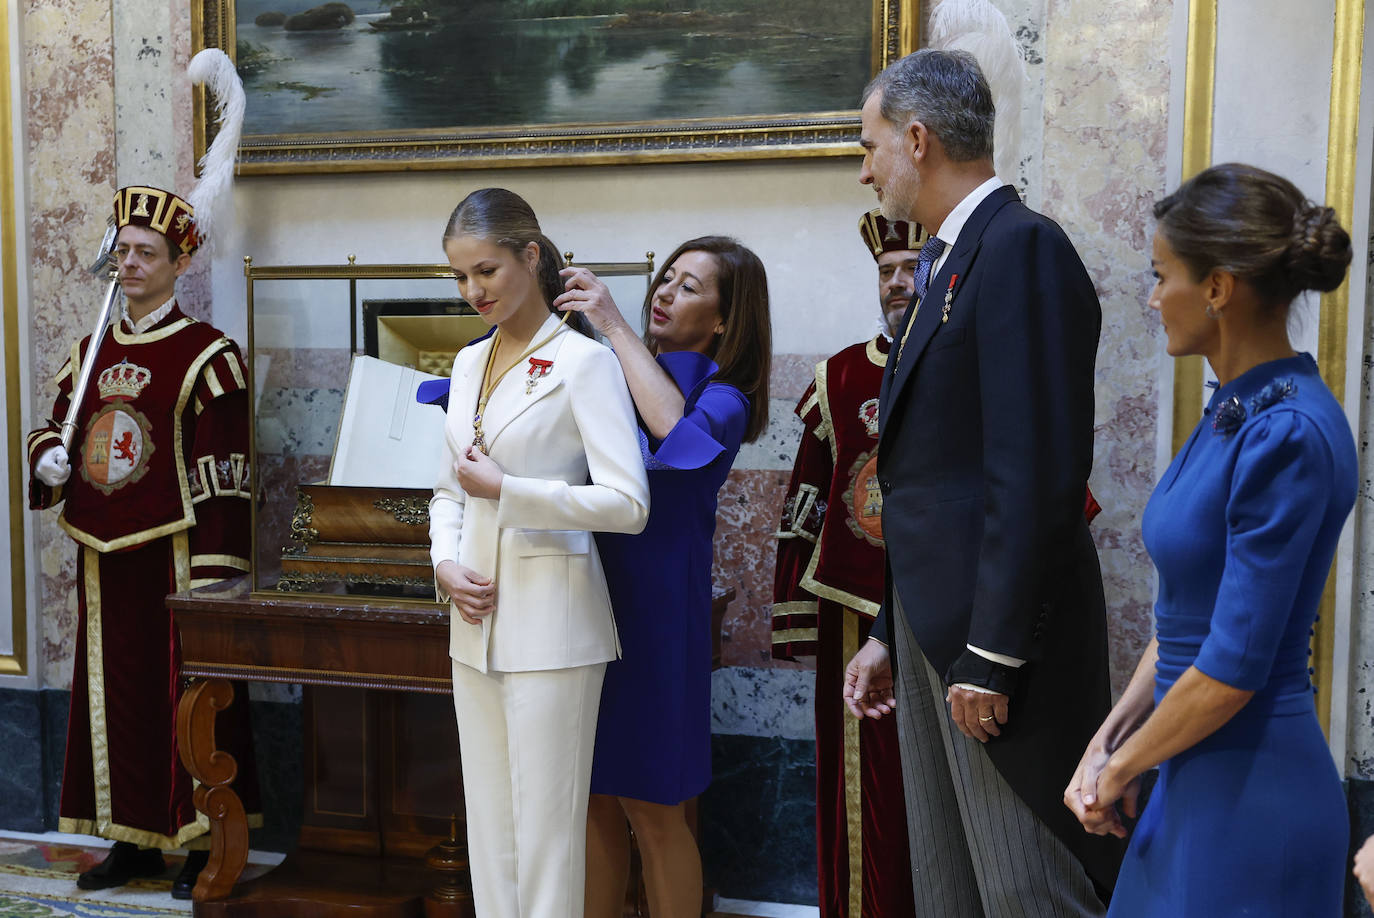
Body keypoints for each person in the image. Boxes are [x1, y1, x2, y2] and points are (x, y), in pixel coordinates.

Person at [842, 48, 1125, 915]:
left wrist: (995, 655)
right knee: (950, 887)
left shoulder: (1022, 247)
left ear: (918, 139)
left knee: (1023, 888)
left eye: (871, 145)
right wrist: (892, 628)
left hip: (1000, 644)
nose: (866, 169)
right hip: (939, 629)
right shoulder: (942, 262)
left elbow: (1033, 470)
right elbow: (932, 476)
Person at [1064, 163, 1356, 916]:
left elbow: (1231, 668)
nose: (1154, 297)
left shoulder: (1287, 431)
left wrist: (1123, 763)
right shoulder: (1236, 407)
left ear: (1219, 288)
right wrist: (1108, 744)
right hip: (1189, 775)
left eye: (1164, 276)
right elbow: (1187, 618)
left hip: (1252, 795)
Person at [26, 184, 260, 897]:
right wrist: (45, 459)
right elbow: (57, 423)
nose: (128, 263)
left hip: (178, 558)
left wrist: (218, 581)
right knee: (114, 698)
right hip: (102, 556)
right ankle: (127, 838)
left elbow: (226, 474)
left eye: (144, 253)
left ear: (179, 261)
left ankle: (201, 841)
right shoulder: (88, 350)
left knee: (189, 703)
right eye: (121, 250)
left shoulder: (209, 356)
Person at [429, 187, 650, 918]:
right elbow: (448, 492)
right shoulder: (467, 366)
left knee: (549, 835)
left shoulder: (584, 362)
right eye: (460, 277)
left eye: (486, 271)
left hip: (555, 628)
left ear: (531, 256)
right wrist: (442, 564)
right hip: (474, 623)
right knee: (490, 832)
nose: (473, 291)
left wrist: (513, 490)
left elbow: (629, 504)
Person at [558, 236, 771, 918]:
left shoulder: (726, 397)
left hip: (655, 621)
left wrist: (612, 323)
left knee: (653, 809)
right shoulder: (615, 369)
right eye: (667, 277)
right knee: (591, 803)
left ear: (723, 321)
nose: (665, 292)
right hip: (589, 603)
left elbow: (675, 432)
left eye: (689, 287)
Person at [770, 209, 917, 918]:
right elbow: (805, 495)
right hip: (856, 610)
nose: (899, 281)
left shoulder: (973, 360)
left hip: (948, 608)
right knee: (866, 791)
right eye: (888, 272)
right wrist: (796, 605)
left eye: (912, 268)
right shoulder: (840, 375)